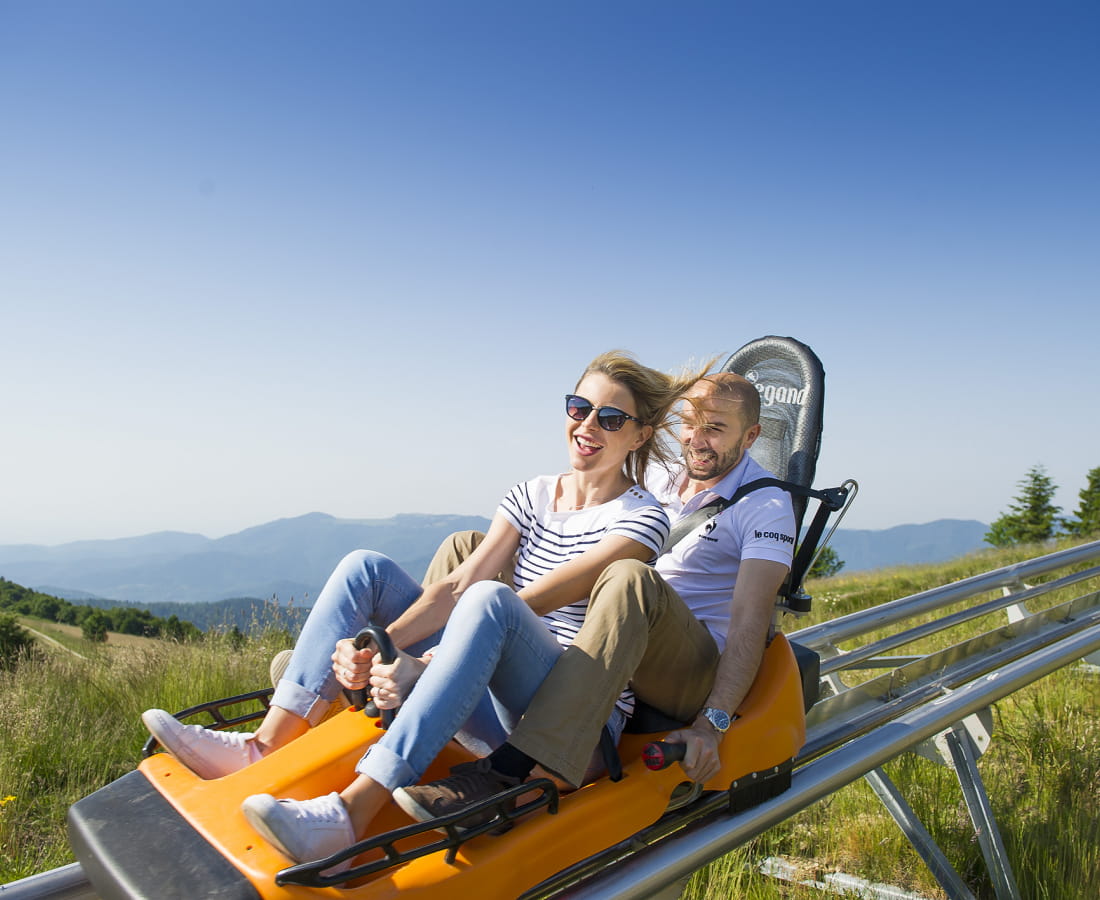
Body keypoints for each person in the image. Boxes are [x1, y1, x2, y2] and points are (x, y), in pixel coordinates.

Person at [142, 351, 696, 866]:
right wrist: (375, 646)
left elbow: (539, 597)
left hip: (561, 720)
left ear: (639, 435)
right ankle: (264, 747)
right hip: (491, 701)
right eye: (579, 408)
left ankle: (350, 814)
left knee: (493, 601)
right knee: (367, 567)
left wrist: (427, 662)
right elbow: (455, 585)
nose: (588, 425)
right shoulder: (531, 495)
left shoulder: (642, 518)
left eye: (610, 418)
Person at [394, 371, 797, 822]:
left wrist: (712, 724)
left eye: (715, 428)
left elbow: (750, 623)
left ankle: (518, 769)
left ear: (751, 436)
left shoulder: (767, 508)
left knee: (631, 578)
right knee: (466, 546)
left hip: (688, 668)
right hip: (617, 629)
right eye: (689, 423)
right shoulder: (660, 478)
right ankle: (404, 685)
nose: (697, 440)